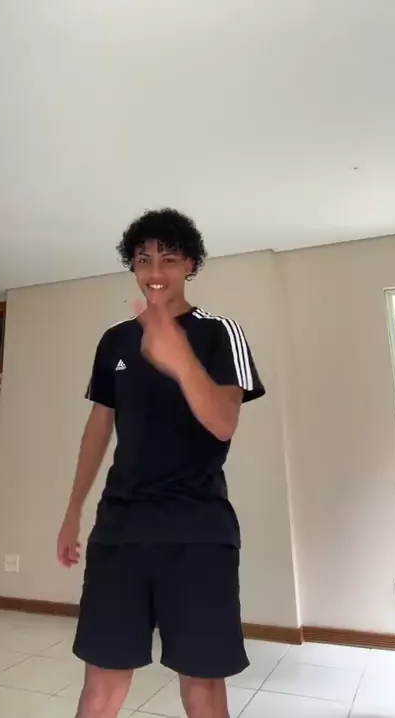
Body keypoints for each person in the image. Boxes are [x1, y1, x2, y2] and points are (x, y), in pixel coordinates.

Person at [57, 208, 265, 718]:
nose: (155, 271)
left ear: (190, 264)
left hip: (198, 531)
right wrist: (73, 509)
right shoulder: (115, 340)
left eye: (169, 259)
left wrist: (178, 357)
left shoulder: (220, 333)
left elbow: (223, 423)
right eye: (143, 259)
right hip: (120, 530)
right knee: (101, 686)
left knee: (202, 686)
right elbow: (99, 427)